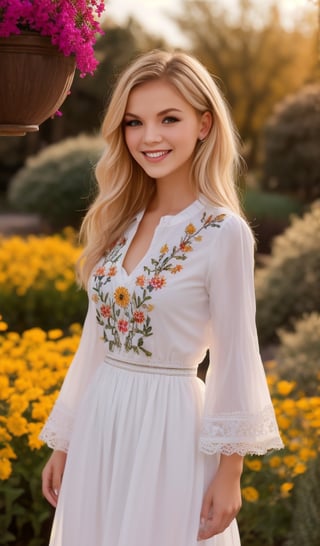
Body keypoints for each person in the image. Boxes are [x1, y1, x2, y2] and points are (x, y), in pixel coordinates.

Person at [40, 50, 283, 546]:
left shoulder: (223, 233)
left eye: (168, 119)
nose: (149, 137)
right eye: (134, 122)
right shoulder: (119, 223)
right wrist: (63, 443)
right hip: (100, 427)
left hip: (170, 434)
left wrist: (229, 472)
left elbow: (235, 356)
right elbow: (94, 346)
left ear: (203, 124)